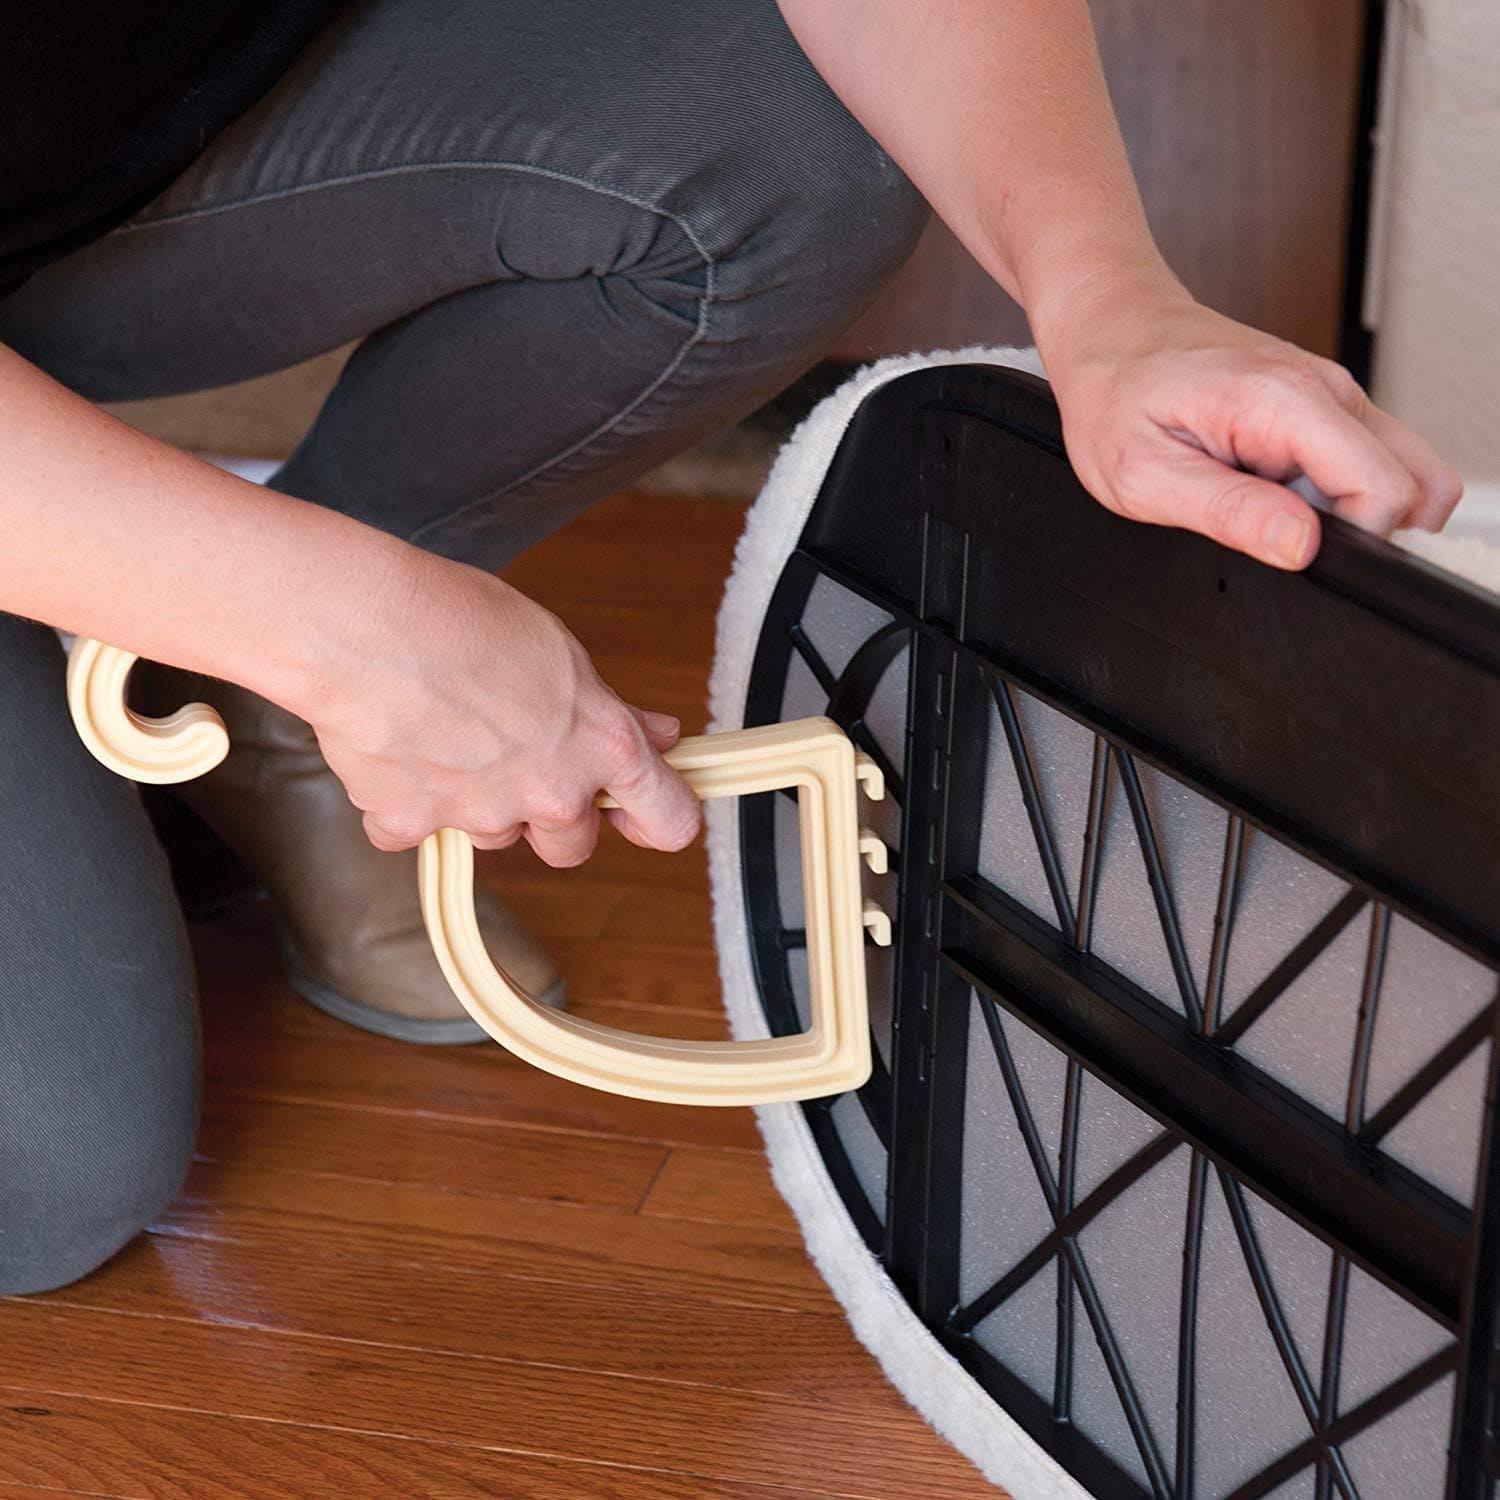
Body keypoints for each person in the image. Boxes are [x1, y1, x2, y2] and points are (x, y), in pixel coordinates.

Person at [0, 0, 1462, 1296]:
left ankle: (250, 703)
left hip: (89, 180)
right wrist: (330, 617)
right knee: (47, 1170)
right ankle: (183, 608)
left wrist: (1112, 302)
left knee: (781, 131)